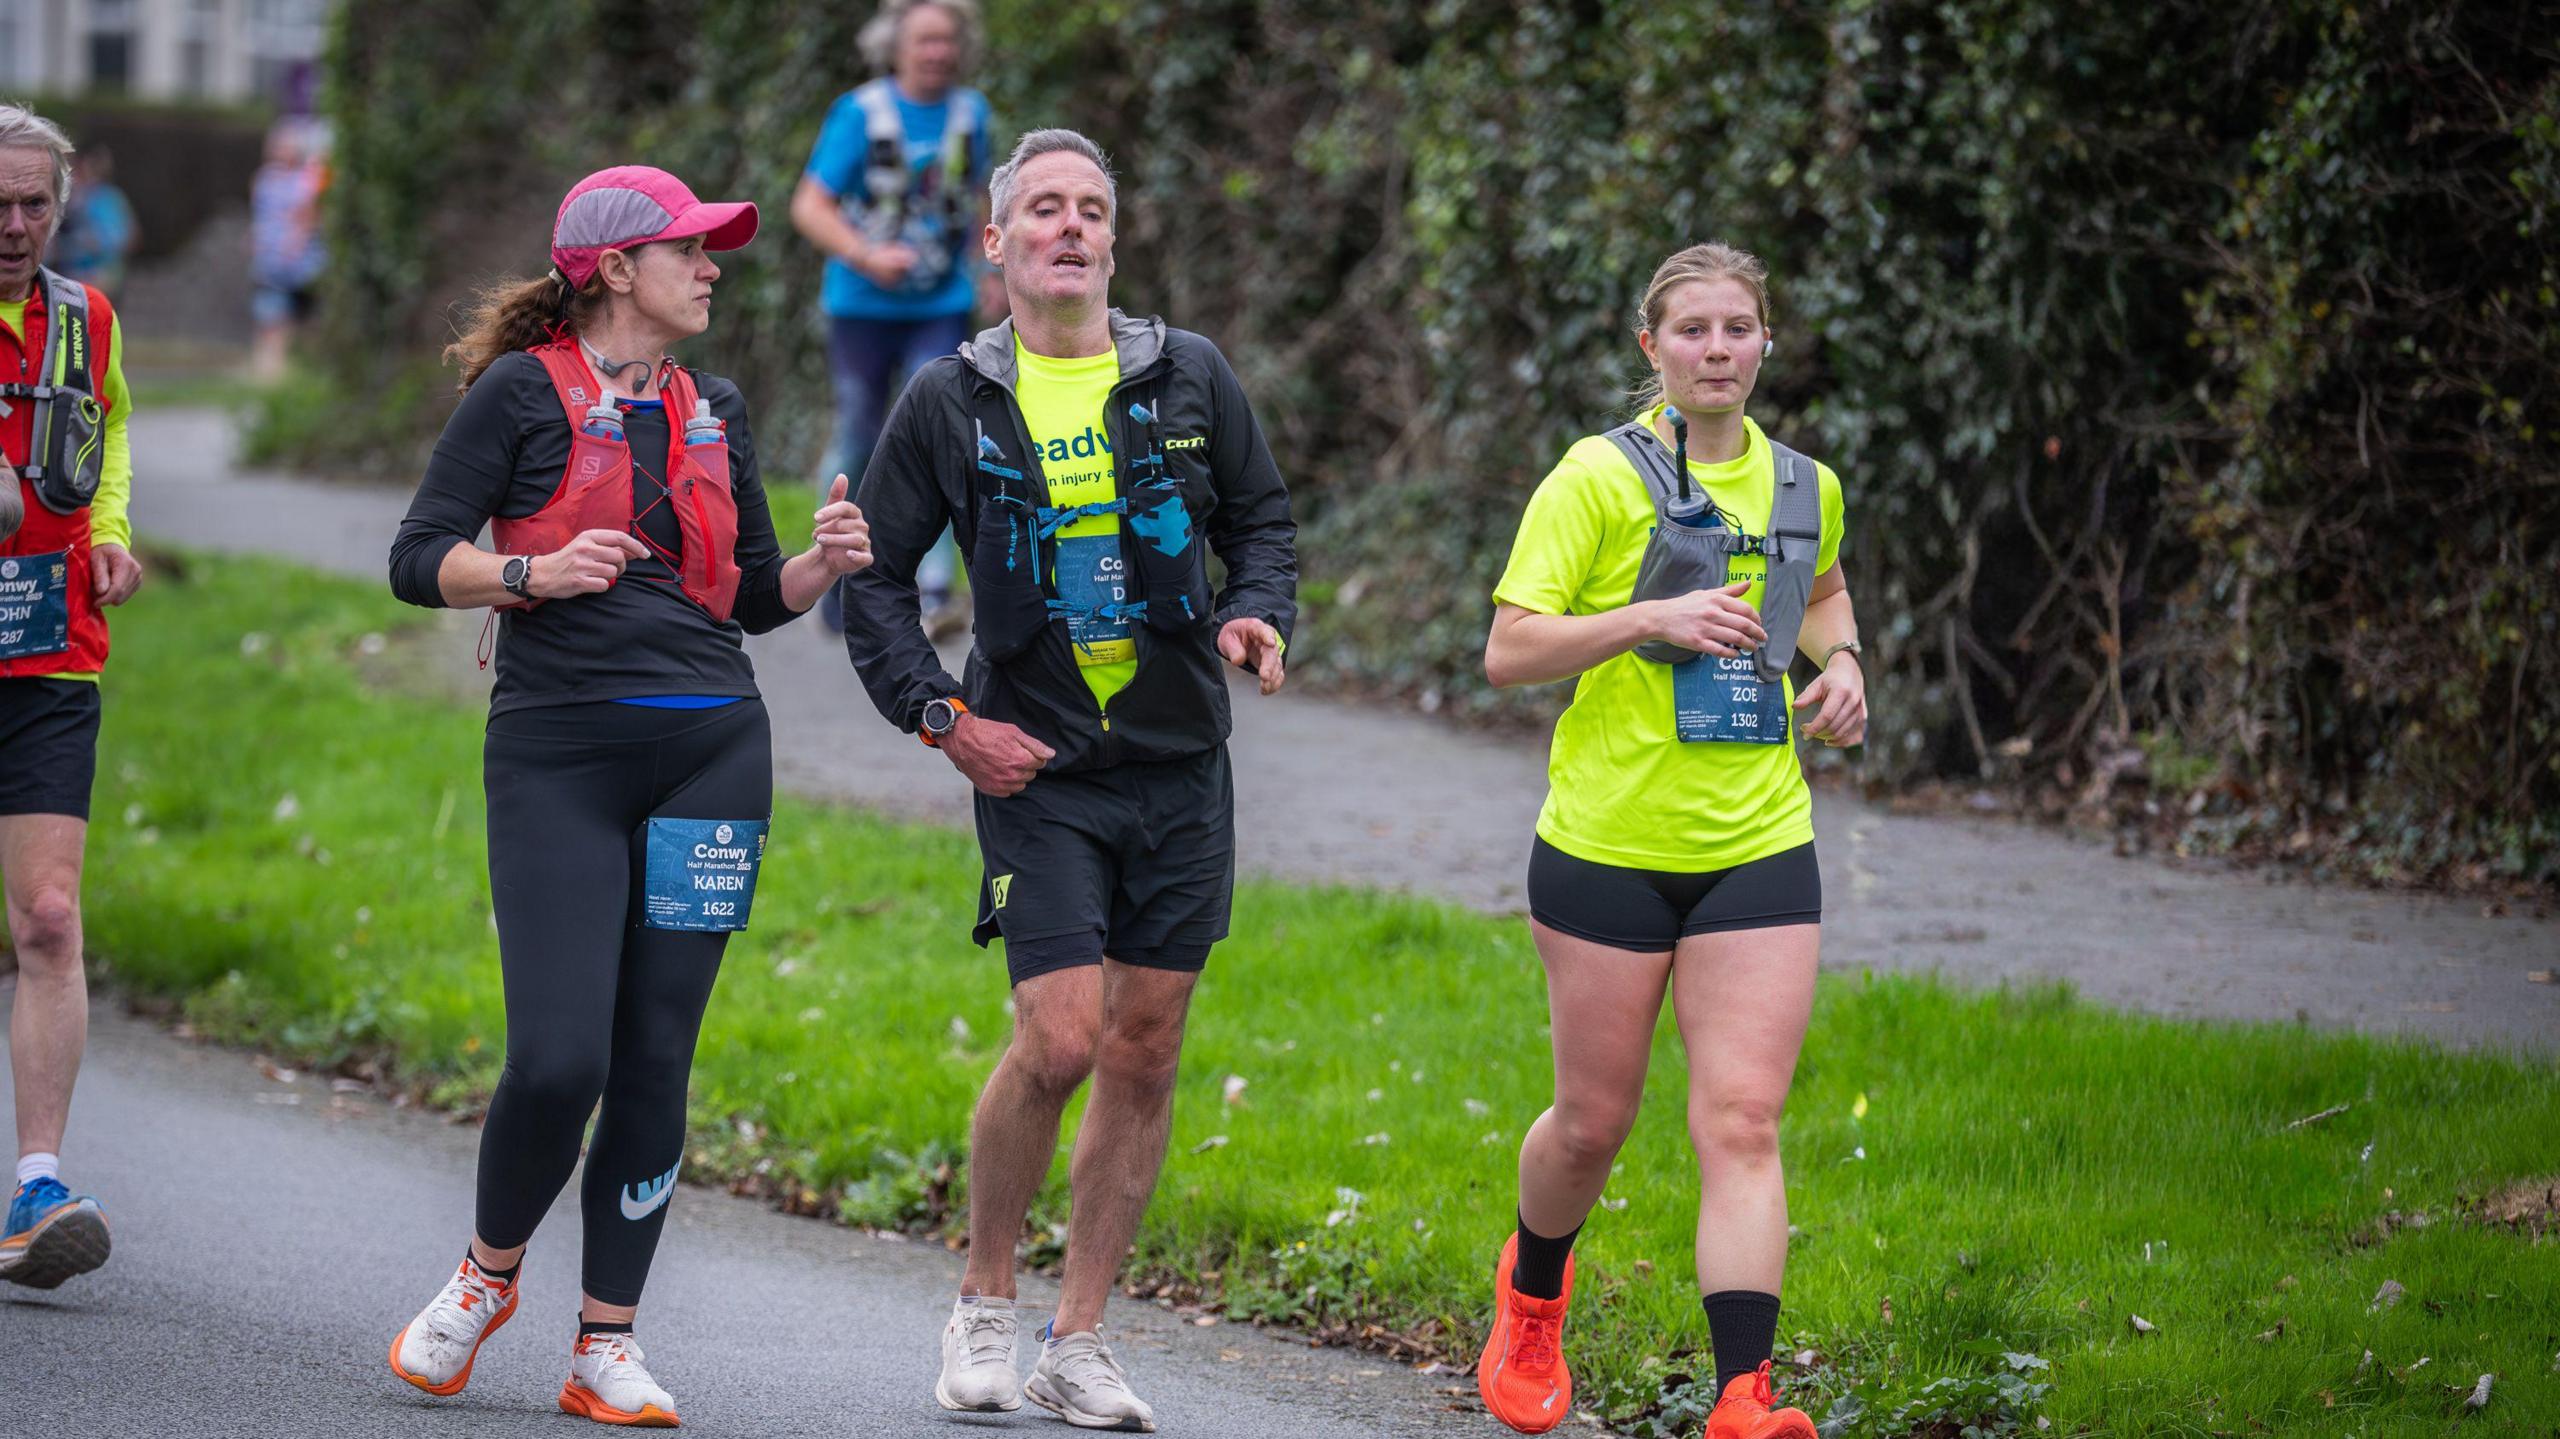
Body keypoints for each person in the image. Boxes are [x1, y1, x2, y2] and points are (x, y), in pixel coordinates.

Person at [383, 164, 873, 1427]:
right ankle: (486, 1276)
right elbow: (413, 557)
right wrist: (529, 571)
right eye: (690, 250)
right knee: (559, 1056)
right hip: (559, 753)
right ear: (613, 267)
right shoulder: (516, 395)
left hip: (715, 750)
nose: (713, 268)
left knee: (655, 1055)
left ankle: (607, 1342)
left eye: (714, 251)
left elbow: (754, 595)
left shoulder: (714, 402)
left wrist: (823, 561)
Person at [840, 128, 1295, 1431]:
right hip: (1032, 763)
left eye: (1092, 209)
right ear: (996, 243)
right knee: (1060, 1034)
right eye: (1043, 208)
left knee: (1146, 1048)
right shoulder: (951, 400)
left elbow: (1260, 519)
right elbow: (876, 576)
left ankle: (1077, 1336)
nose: (1072, 227)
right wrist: (941, 717)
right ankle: (984, 1296)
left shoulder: (1187, 375)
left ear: (1113, 238)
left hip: (1177, 763)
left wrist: (1255, 612)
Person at [1476, 242, 1865, 1439]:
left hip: (1757, 842)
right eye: (1690, 330)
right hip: (1606, 842)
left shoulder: (1805, 483)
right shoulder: (1594, 479)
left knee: (1741, 1118)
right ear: (1651, 348)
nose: (1715, 350)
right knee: (1593, 1120)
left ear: (1763, 342)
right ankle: (1534, 1291)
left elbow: (1826, 590)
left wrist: (1842, 663)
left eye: (1736, 328)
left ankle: (1744, 1394)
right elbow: (1509, 650)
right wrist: (1647, 613)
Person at [0, 104, 143, 1294]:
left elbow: (111, 436)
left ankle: (38, 1183)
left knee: (48, 917)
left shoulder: (85, 316)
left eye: (33, 203)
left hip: (50, 653)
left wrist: (108, 534)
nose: (13, 225)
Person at [790, 0, 995, 635]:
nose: (936, 52)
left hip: (941, 302)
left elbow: (984, 193)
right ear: (896, 46)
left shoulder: (971, 113)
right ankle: (834, 578)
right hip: (862, 304)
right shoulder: (861, 113)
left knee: (940, 433)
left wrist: (991, 271)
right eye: (924, 40)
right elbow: (810, 205)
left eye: (946, 41)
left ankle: (932, 589)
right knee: (860, 436)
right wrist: (865, 255)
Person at [249, 119, 329, 383]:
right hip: (271, 261)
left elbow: (309, 214)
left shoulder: (308, 179)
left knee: (302, 315)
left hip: (302, 261)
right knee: (272, 317)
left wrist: (296, 240)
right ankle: (271, 371)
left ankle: (297, 370)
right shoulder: (265, 180)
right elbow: (260, 217)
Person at [47, 146, 137, 301]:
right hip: (69, 275)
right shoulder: (68, 199)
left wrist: (92, 243)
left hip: (98, 274)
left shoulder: (106, 199)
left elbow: (127, 238)